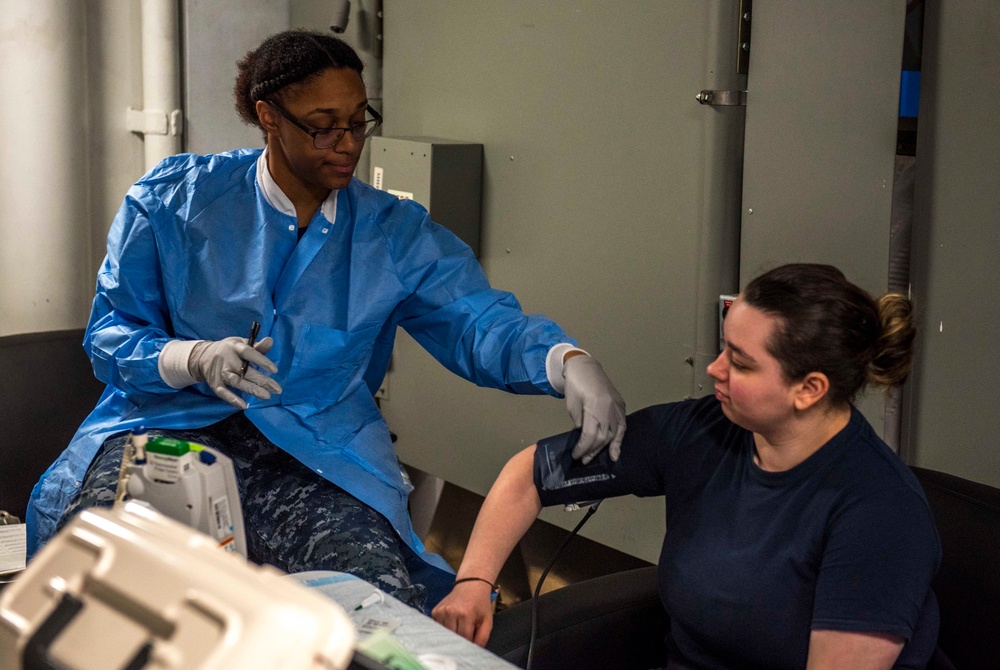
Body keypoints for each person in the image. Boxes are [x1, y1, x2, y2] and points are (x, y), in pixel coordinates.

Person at [25, 30, 626, 612]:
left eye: (358, 121)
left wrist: (563, 361)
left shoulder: (393, 232)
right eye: (322, 126)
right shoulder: (173, 202)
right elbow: (111, 335)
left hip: (315, 452)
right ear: (269, 117)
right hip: (168, 432)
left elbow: (475, 322)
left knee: (375, 602)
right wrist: (191, 358)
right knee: (100, 587)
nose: (347, 143)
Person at [432, 264, 941, 669]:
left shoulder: (879, 511)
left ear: (809, 389)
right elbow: (529, 476)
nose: (715, 369)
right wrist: (474, 583)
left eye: (740, 363)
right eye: (723, 348)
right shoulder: (702, 430)